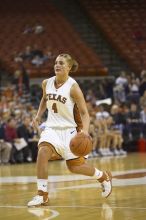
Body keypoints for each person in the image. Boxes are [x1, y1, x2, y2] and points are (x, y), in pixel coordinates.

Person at [27, 54, 112, 207]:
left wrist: (85, 132)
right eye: (55, 63)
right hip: (52, 127)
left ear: (68, 67)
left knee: (74, 167)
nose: (57, 65)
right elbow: (44, 98)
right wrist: (38, 115)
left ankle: (103, 176)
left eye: (61, 63)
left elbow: (85, 113)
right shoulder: (46, 83)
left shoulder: (73, 88)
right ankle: (42, 194)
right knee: (42, 152)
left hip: (70, 130)